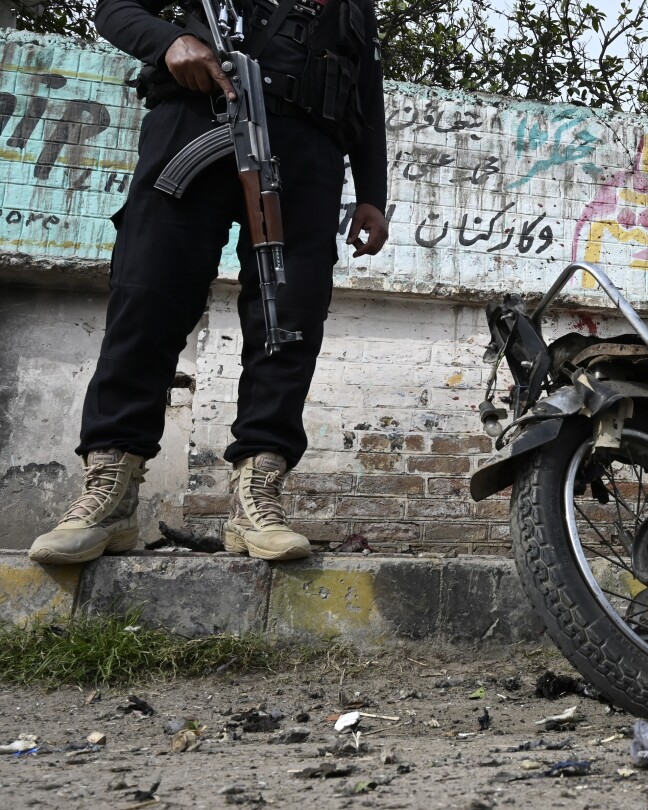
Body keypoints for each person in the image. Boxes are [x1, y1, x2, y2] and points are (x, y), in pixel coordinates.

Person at [28, 0, 389, 564]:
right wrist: (168, 42)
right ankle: (110, 494)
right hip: (193, 119)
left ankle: (257, 497)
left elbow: (368, 91)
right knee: (148, 298)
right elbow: (116, 9)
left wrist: (372, 193)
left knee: (287, 318)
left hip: (306, 150)